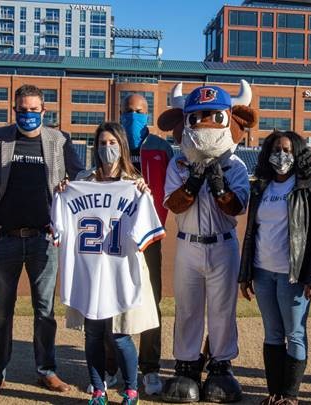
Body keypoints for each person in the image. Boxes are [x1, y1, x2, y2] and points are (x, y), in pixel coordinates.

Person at [0, 84, 85, 399]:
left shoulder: (59, 140)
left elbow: (82, 178)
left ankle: (47, 371)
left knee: (44, 311)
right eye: (22, 109)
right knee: (1, 311)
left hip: (44, 240)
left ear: (44, 111)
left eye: (34, 109)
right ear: (14, 110)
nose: (28, 114)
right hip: (3, 239)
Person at [158, 81, 256, 403]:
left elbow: (237, 207)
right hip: (188, 244)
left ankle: (220, 365)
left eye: (214, 117)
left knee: (222, 310)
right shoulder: (178, 164)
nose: (204, 124)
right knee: (187, 308)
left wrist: (218, 186)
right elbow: (172, 204)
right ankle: (186, 365)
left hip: (224, 244)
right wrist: (193, 183)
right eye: (196, 117)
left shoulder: (237, 165)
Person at [53, 122, 160, 405]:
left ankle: (131, 389)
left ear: (122, 146)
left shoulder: (134, 184)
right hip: (89, 271)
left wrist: (142, 193)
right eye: (101, 143)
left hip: (119, 271)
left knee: (121, 335)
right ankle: (98, 388)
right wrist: (62, 191)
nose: (107, 148)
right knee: (92, 335)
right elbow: (60, 222)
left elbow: (146, 233)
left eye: (112, 143)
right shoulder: (81, 180)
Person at [238, 131, 311, 405]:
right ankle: (274, 392)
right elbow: (250, 233)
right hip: (263, 271)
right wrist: (245, 274)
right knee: (273, 334)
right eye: (276, 149)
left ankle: (290, 395)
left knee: (295, 333)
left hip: (294, 274)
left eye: (287, 150)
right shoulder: (261, 186)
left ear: (298, 153)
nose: (281, 155)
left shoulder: (309, 184)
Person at [120, 93, 174, 395]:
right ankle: (113, 364)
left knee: (151, 302)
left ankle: (150, 367)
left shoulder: (160, 147)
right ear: (120, 112)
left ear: (148, 114)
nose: (133, 116)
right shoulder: (111, 142)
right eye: (128, 111)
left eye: (139, 111)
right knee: (114, 299)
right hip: (115, 238)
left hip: (150, 238)